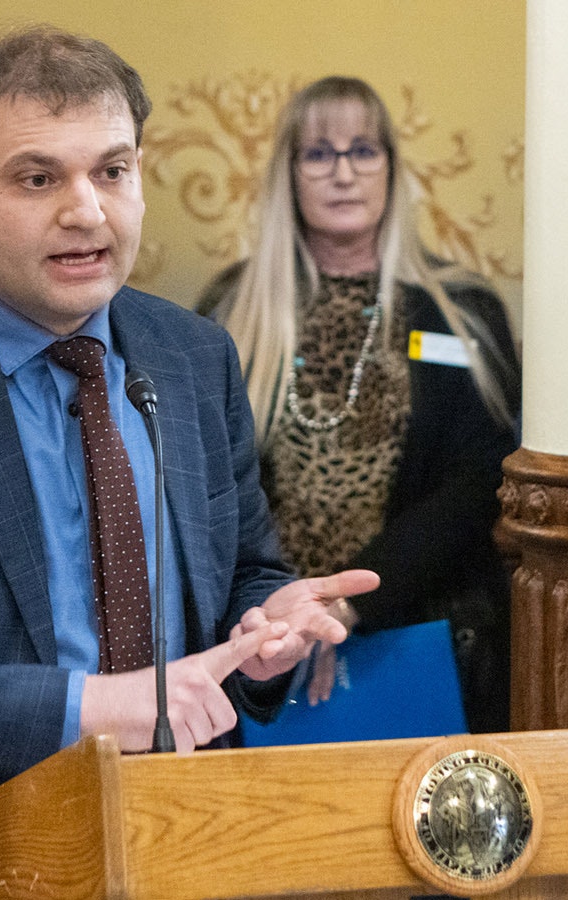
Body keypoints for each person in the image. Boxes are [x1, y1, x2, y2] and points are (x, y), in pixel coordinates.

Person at [0, 26, 381, 899]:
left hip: (177, 846)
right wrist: (96, 708)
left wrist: (260, 635)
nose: (86, 210)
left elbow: (243, 570)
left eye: (113, 171)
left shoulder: (192, 354)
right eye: (37, 177)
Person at [199, 76, 521, 733]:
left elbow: (479, 480)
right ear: (289, 175)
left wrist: (352, 605)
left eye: (363, 151)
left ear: (392, 171)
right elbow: (207, 485)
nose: (342, 172)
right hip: (264, 646)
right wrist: (286, 614)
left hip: (425, 638)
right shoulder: (230, 311)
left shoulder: (460, 313)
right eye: (319, 154)